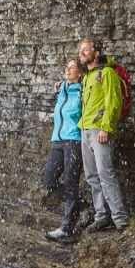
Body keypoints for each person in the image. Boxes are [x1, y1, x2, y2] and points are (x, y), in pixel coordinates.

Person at [77, 37, 129, 232]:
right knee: (92, 176)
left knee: (105, 174)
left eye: (85, 50)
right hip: (85, 130)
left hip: (99, 131)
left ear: (96, 53)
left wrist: (106, 128)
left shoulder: (106, 73)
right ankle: (102, 216)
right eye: (80, 50)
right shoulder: (87, 77)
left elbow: (114, 102)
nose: (82, 53)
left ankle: (120, 219)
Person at [43, 59, 85, 243]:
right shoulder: (63, 89)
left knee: (71, 182)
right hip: (58, 140)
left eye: (72, 67)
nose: (68, 70)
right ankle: (79, 204)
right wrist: (59, 87)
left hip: (74, 140)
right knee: (49, 180)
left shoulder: (83, 90)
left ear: (80, 73)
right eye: (66, 67)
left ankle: (67, 228)